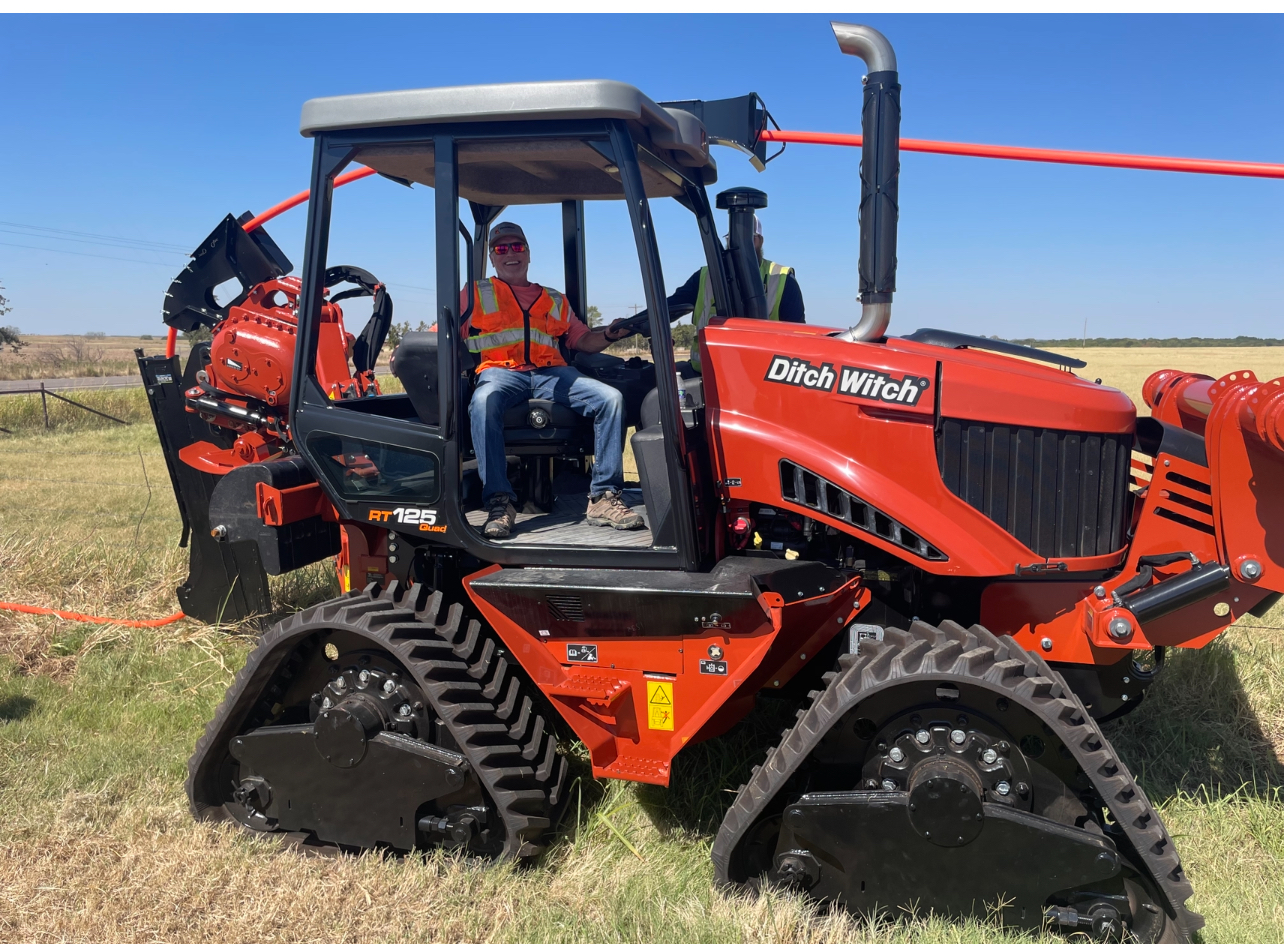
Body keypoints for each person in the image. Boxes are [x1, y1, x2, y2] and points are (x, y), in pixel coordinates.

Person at [464, 222, 644, 539]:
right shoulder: (476, 294)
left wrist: (611, 334)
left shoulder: (554, 299)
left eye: (517, 247)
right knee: (484, 401)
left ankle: (603, 497)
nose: (510, 254)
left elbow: (583, 340)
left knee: (610, 400)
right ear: (492, 257)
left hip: (551, 374)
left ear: (528, 254)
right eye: (501, 248)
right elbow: (445, 332)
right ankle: (500, 502)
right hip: (501, 372)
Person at [668, 215, 805, 372]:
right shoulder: (705, 276)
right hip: (706, 375)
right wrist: (635, 326)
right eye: (732, 240)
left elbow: (798, 339)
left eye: (748, 240)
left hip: (761, 379)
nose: (739, 247)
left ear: (760, 241)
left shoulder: (781, 279)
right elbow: (670, 307)